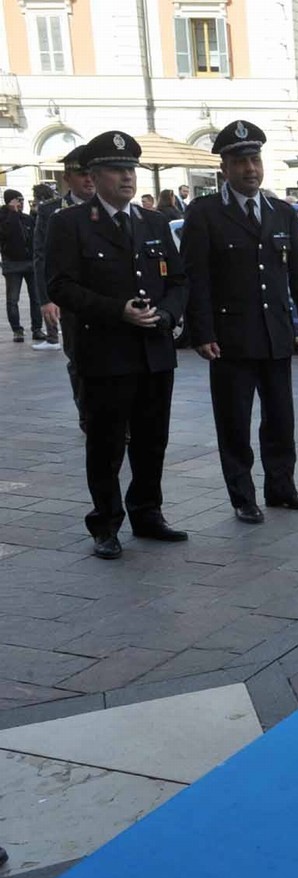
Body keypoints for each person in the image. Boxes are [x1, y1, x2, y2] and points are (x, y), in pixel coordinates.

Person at [46, 131, 188, 558]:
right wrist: (116, 310)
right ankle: (105, 523)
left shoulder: (154, 222)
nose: (127, 178)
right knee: (106, 444)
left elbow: (179, 281)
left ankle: (148, 512)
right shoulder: (69, 224)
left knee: (152, 439)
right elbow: (60, 285)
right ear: (93, 175)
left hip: (154, 352)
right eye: (116, 170)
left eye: (131, 170)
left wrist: (165, 315)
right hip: (105, 352)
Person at [180, 119, 298, 525]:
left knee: (280, 418)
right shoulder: (205, 214)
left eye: (255, 159)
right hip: (229, 339)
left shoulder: (281, 213)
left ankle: (281, 488)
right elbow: (197, 278)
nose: (251, 169)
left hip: (275, 333)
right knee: (235, 421)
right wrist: (202, 331)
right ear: (224, 168)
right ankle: (243, 496)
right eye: (241, 161)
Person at [34, 145, 94, 407]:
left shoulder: (110, 205)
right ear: (68, 178)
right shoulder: (52, 211)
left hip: (106, 294)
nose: (88, 179)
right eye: (81, 173)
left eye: (92, 172)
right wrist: (47, 299)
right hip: (71, 298)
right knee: (79, 357)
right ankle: (85, 412)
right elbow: (40, 256)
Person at [1, 189, 42, 345]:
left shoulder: (27, 218)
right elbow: (7, 233)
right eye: (18, 200)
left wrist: (35, 214)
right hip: (12, 264)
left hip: (30, 262)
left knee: (36, 298)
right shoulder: (3, 218)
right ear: (10, 202)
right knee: (12, 300)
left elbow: (36, 235)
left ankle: (37, 329)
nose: (21, 203)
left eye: (23, 200)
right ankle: (17, 330)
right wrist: (12, 213)